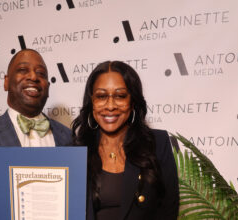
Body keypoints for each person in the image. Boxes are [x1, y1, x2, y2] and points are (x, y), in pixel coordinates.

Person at [0, 49, 72, 219]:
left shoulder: (67, 137)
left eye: (41, 73)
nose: (33, 76)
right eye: (23, 70)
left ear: (48, 87)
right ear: (6, 82)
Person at [72, 61, 179, 220]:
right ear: (92, 101)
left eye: (120, 96)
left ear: (132, 101)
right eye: (101, 96)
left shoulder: (157, 143)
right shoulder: (75, 152)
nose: (110, 106)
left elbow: (168, 211)